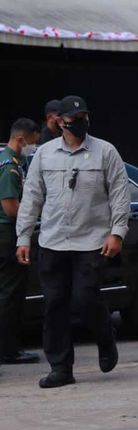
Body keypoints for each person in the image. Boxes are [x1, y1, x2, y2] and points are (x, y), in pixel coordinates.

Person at [16, 95, 129, 388]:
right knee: (55, 305)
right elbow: (32, 197)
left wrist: (117, 232)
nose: (79, 122)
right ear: (60, 121)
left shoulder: (106, 152)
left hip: (91, 241)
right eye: (73, 119)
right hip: (53, 240)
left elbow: (119, 194)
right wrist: (23, 237)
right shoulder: (44, 154)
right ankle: (61, 368)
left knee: (85, 298)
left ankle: (105, 337)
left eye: (84, 117)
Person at [0, 118, 42, 365]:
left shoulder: (13, 162)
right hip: (8, 236)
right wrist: (34, 212)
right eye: (32, 143)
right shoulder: (10, 167)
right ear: (20, 139)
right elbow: (10, 207)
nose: (33, 148)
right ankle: (8, 350)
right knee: (10, 296)